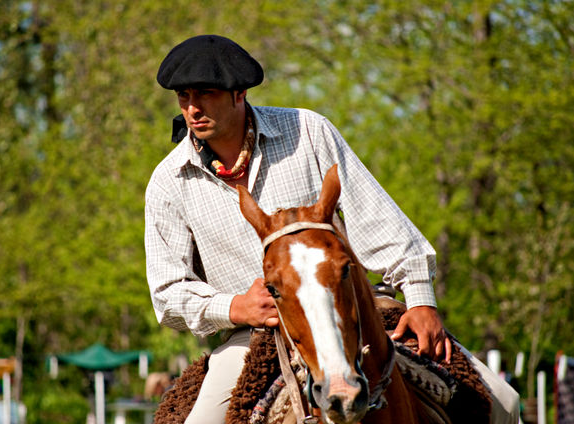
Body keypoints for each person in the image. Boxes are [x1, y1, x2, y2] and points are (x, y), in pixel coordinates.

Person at [145, 34, 519, 423]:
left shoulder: (308, 131)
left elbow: (376, 218)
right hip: (254, 336)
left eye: (205, 93)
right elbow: (168, 293)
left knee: (504, 403)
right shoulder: (168, 182)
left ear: (239, 93)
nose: (192, 108)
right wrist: (236, 307)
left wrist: (421, 298)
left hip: (355, 306)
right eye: (183, 96)